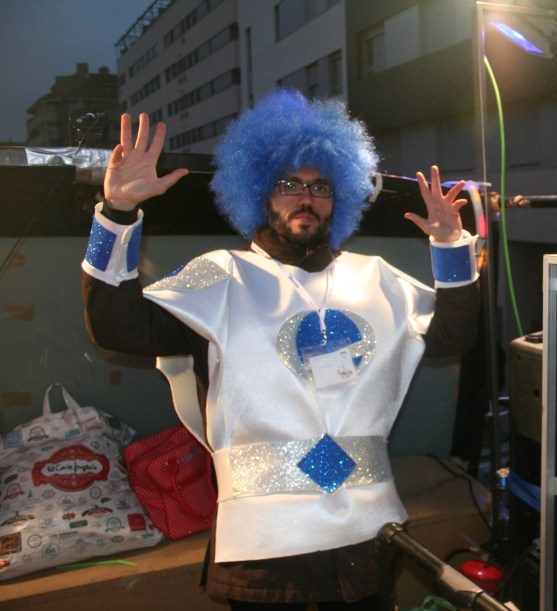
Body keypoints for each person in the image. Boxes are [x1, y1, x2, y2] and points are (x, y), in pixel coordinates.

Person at [81, 89, 480, 609]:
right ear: (260, 194)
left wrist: (450, 247)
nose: (305, 198)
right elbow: (118, 327)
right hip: (264, 548)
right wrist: (117, 213)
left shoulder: (377, 279)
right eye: (288, 184)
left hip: (366, 536)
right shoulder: (221, 276)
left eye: (320, 186)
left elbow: (453, 335)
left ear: (340, 197)